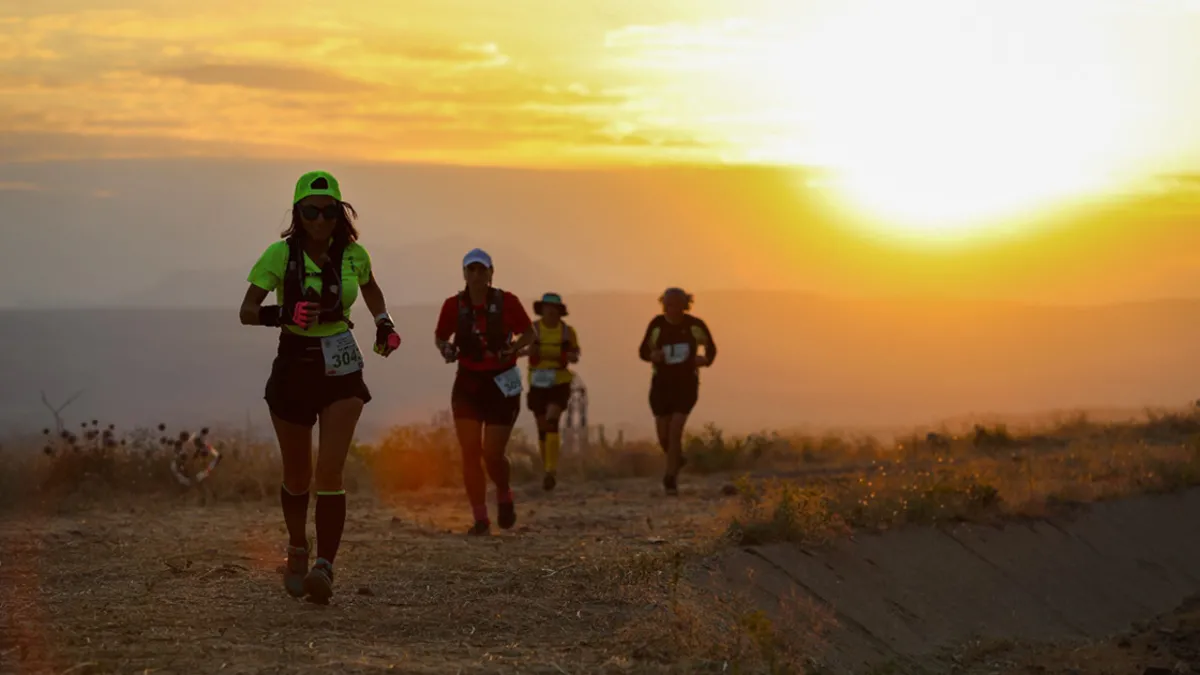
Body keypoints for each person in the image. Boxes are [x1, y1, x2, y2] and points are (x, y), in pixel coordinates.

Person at [239, 170, 401, 603]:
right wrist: (284, 314)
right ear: (298, 213)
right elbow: (247, 310)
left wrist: (384, 324)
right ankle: (297, 545)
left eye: (329, 211)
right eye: (311, 211)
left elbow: (371, 290)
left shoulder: (353, 255)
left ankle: (324, 568)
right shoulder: (278, 255)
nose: (321, 219)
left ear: (339, 213)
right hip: (294, 365)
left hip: (341, 366)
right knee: (298, 475)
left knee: (330, 470)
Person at [434, 249, 537, 535]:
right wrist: (446, 348)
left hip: (501, 383)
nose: (477, 275)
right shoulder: (453, 306)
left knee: (492, 453)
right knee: (470, 452)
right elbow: (440, 336)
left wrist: (514, 348)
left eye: (482, 270)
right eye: (472, 270)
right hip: (468, 383)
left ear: (492, 273)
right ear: (464, 274)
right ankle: (480, 519)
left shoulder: (508, 302)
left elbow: (529, 333)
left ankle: (504, 493)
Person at [637, 287, 717, 496]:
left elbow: (711, 348)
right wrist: (652, 355)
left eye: (674, 304)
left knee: (675, 432)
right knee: (663, 435)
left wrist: (705, 360)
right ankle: (676, 459)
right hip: (661, 385)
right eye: (666, 304)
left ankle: (670, 478)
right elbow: (643, 351)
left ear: (684, 305)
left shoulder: (694, 326)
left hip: (686, 385)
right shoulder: (657, 325)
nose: (670, 309)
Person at [521, 292, 581, 491]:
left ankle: (550, 471)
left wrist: (570, 356)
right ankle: (547, 467)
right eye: (547, 307)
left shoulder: (567, 332)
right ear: (542, 309)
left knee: (552, 420)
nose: (550, 311)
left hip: (559, 381)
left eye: (554, 308)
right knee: (542, 425)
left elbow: (575, 353)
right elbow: (520, 348)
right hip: (537, 382)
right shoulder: (533, 329)